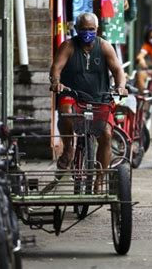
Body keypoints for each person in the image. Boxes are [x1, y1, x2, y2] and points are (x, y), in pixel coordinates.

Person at [49, 12, 127, 192]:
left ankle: (99, 180)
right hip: (73, 95)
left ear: (97, 29)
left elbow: (117, 70)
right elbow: (56, 68)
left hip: (100, 98)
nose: (87, 33)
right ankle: (68, 148)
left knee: (106, 135)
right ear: (76, 29)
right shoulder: (68, 46)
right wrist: (56, 82)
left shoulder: (105, 47)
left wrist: (121, 86)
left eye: (91, 29)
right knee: (66, 111)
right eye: (83, 29)